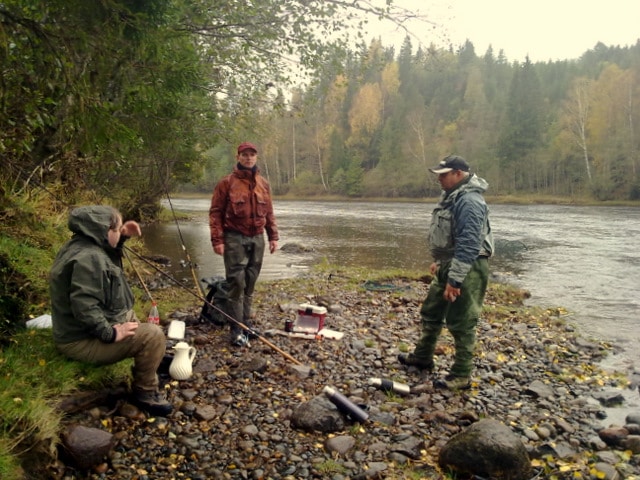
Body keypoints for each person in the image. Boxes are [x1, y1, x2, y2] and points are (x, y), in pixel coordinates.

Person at [49, 205, 173, 416]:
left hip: (76, 331)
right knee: (152, 335)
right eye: (117, 229)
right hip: (79, 342)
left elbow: (106, 259)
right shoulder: (90, 258)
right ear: (103, 231)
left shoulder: (81, 246)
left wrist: (121, 237)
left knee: (128, 315)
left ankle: (150, 361)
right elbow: (84, 306)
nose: (119, 231)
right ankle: (145, 391)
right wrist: (111, 333)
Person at [398, 155, 494, 390]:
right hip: (449, 263)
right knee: (431, 311)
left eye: (444, 174)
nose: (439, 179)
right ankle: (422, 357)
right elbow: (448, 235)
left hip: (468, 266)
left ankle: (461, 374)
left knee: (461, 321)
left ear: (459, 174)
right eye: (439, 174)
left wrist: (456, 279)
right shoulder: (452, 196)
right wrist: (440, 262)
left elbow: (469, 243)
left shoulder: (470, 201)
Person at [209, 142, 279, 347]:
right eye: (245, 155)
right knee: (236, 283)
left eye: (252, 155)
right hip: (234, 237)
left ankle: (246, 324)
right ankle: (236, 329)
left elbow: (269, 213)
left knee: (250, 281)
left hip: (257, 237)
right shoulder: (226, 183)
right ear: (238, 157)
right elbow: (215, 213)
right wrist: (217, 240)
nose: (248, 158)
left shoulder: (263, 184)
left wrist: (273, 236)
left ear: (256, 157)